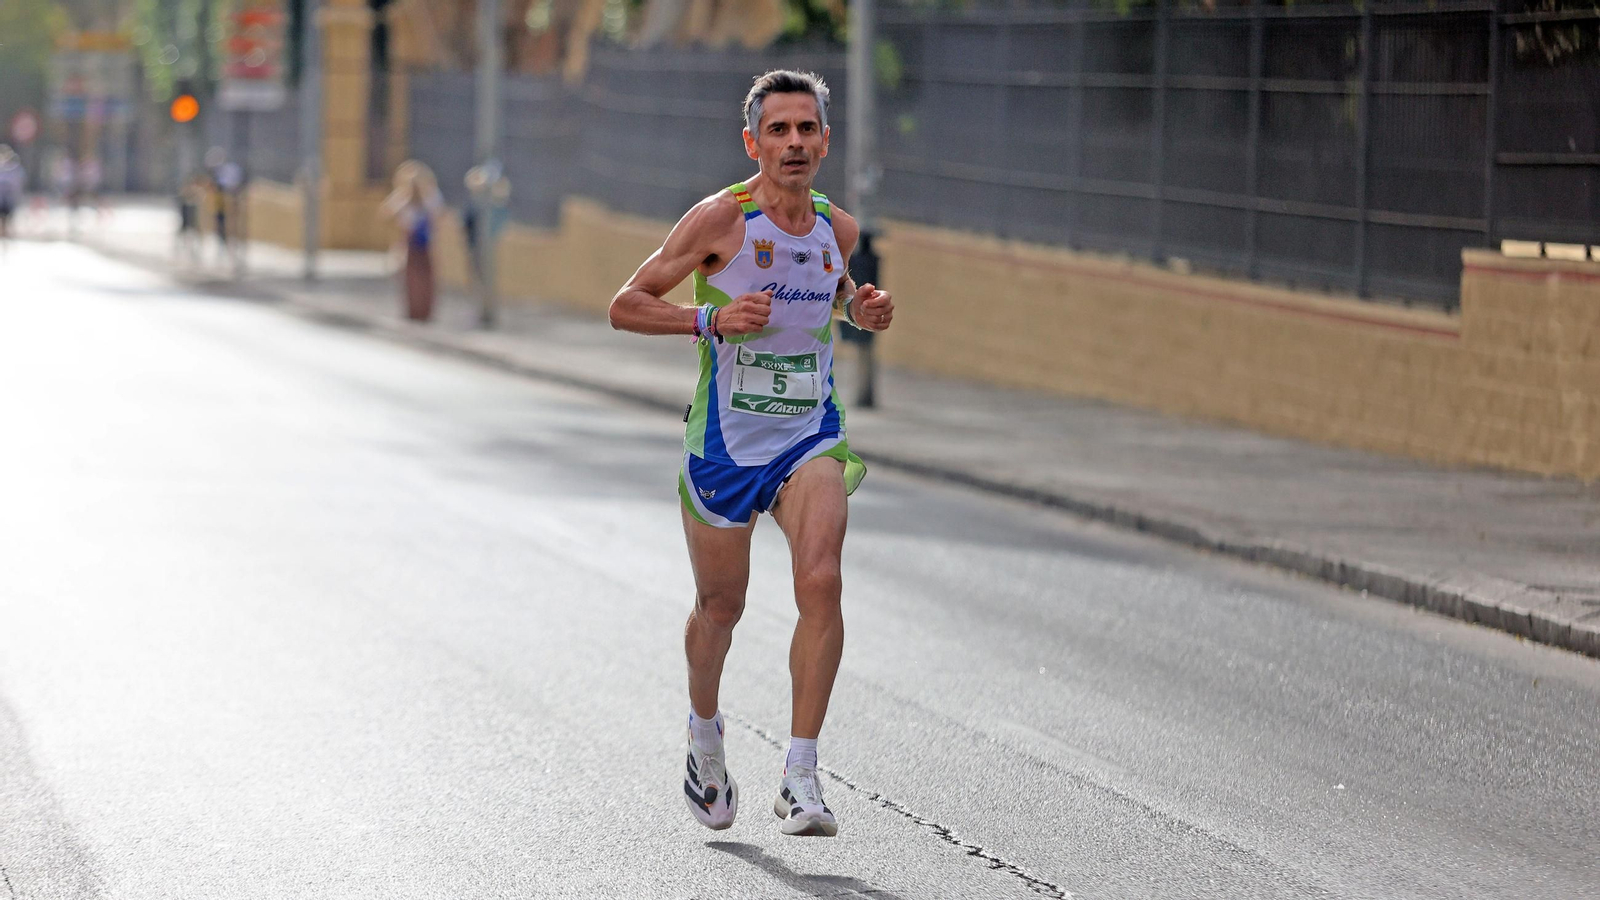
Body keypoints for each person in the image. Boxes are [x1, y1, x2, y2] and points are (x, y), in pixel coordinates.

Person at [608, 69, 895, 838]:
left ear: (825, 142)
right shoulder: (718, 221)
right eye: (779, 130)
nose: (794, 143)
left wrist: (860, 309)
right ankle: (704, 736)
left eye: (807, 129)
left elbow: (829, 294)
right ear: (752, 142)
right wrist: (711, 321)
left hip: (809, 434)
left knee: (823, 580)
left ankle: (801, 775)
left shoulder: (838, 231)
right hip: (726, 444)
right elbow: (626, 304)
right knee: (720, 606)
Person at [381, 160, 443, 322]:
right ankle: (413, 311)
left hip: (426, 244)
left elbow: (437, 216)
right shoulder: (402, 197)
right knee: (410, 280)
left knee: (426, 279)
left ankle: (426, 312)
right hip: (409, 243)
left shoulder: (431, 197)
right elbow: (386, 214)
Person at [0, 145, 24, 246]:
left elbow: (17, 185)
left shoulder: (15, 169)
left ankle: (7, 238)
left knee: (7, 220)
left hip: (8, 200)